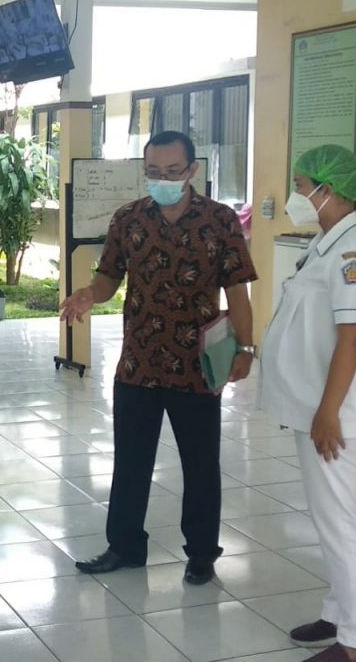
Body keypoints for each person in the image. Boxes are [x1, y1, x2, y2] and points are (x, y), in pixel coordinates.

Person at [61, 131, 258, 586]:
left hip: (197, 364)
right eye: (153, 172)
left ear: (192, 170)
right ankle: (125, 547)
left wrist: (246, 348)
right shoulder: (128, 218)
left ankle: (202, 554)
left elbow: (237, 291)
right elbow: (109, 276)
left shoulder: (220, 220)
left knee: (200, 464)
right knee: (131, 461)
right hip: (139, 362)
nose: (162, 179)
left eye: (172, 171)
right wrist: (90, 293)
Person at [258, 144, 356, 662]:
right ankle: (339, 612)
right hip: (318, 405)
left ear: (326, 191)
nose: (295, 195)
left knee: (341, 523)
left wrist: (329, 412)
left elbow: (351, 337)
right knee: (328, 518)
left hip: (338, 411)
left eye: (300, 185)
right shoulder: (326, 243)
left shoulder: (354, 254)